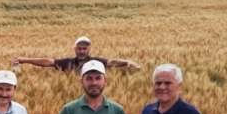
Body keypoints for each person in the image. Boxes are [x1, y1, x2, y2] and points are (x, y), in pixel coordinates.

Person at [53, 61, 131, 114]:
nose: (94, 83)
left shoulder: (117, 110)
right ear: (81, 82)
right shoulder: (68, 110)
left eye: (98, 78)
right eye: (89, 78)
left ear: (105, 81)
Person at [12, 36, 140, 74]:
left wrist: (127, 62)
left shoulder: (96, 62)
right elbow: (48, 62)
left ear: (89, 49)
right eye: (79, 48)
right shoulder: (68, 63)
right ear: (75, 49)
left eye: (85, 48)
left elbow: (111, 62)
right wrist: (24, 60)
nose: (82, 51)